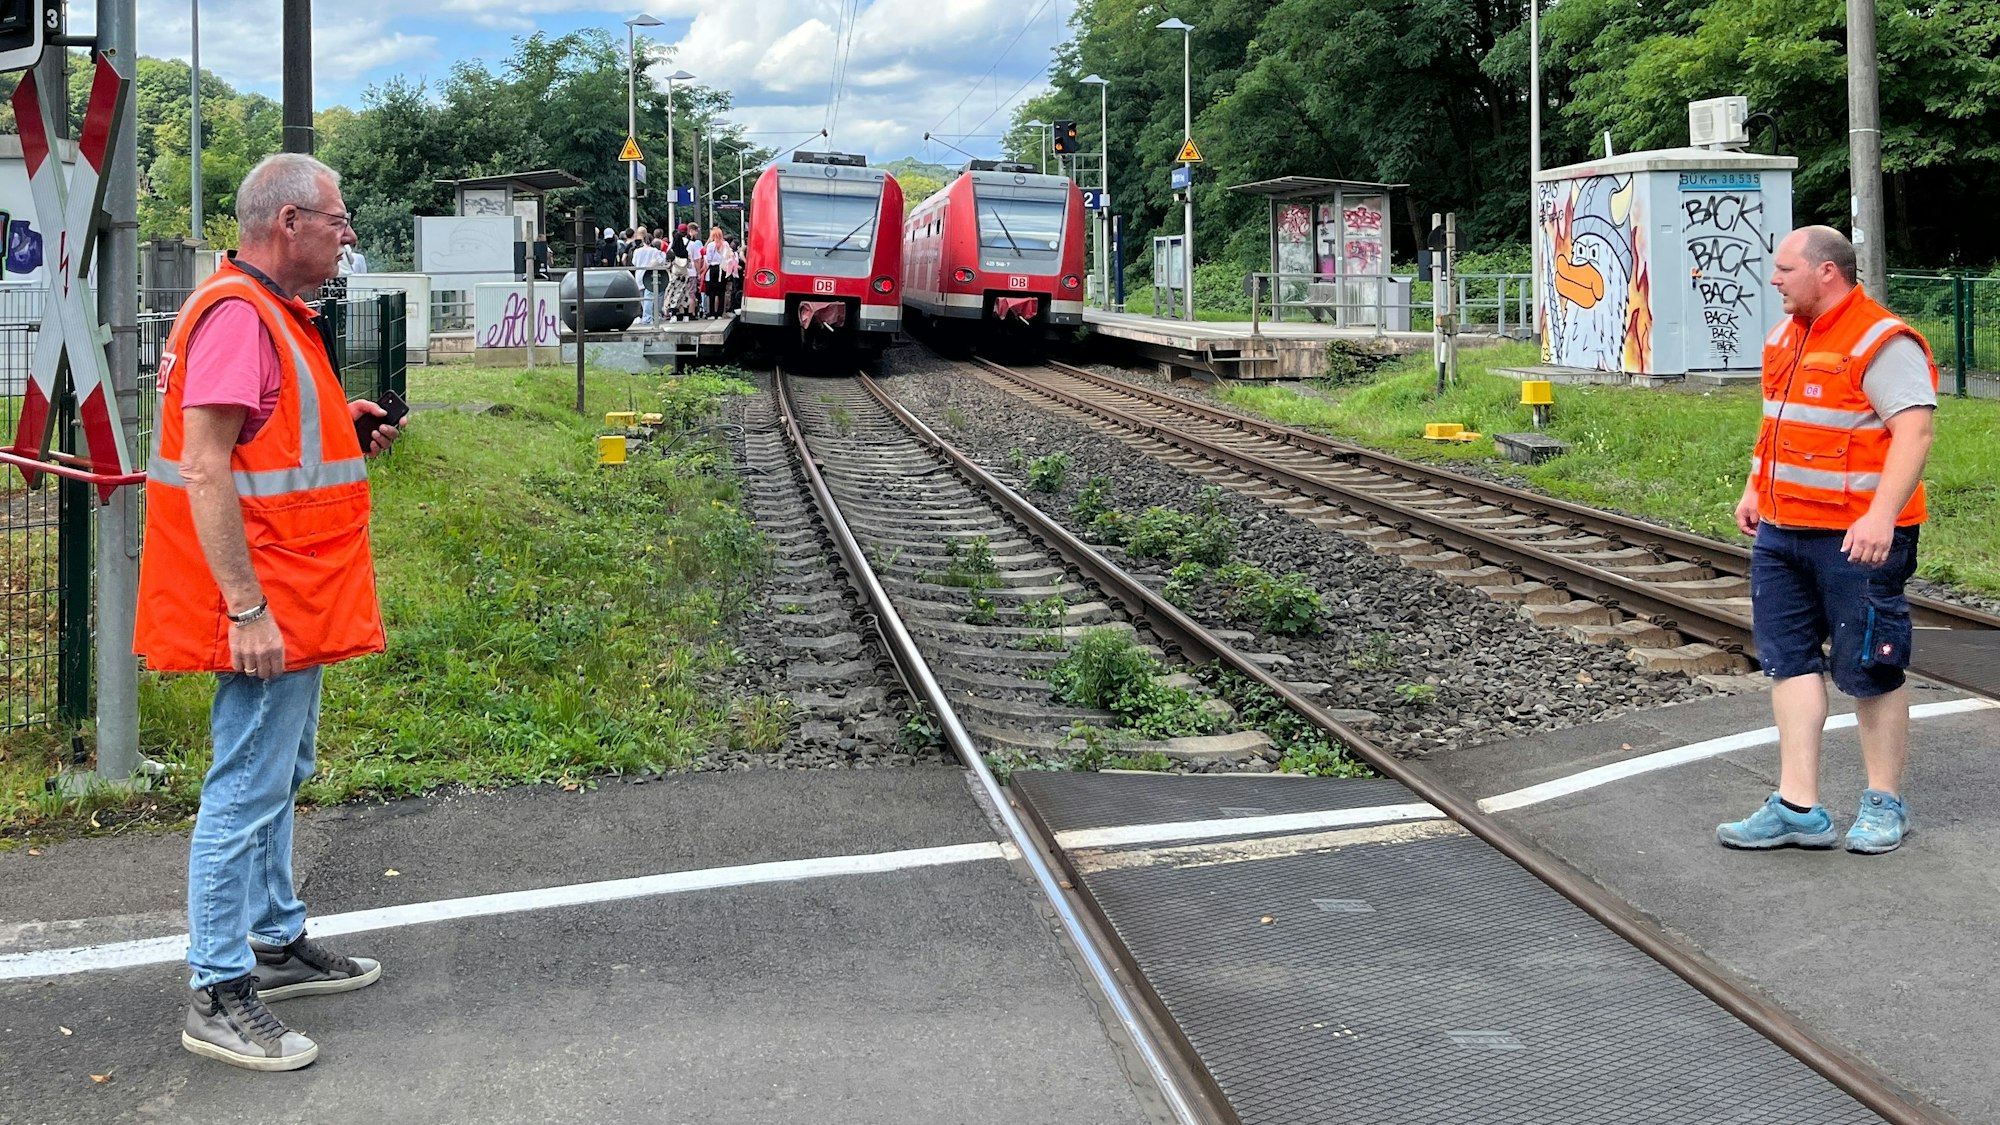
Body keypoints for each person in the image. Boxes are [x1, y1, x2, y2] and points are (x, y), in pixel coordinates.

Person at [134, 152, 403, 1072]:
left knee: (280, 768)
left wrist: (348, 423)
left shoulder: (267, 314)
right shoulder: (241, 318)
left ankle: (275, 941)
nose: (348, 233)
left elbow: (262, 444)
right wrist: (245, 607)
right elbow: (206, 467)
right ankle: (217, 985)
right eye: (337, 218)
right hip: (266, 602)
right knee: (246, 784)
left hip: (295, 594)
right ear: (287, 224)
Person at [1718, 225, 1938, 855]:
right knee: (1788, 662)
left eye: (1785, 269)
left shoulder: (1881, 340)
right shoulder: (1785, 338)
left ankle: (1884, 803)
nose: (1774, 279)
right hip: (1783, 531)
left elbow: (1914, 434)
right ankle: (1798, 807)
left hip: (1857, 538)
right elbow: (1778, 427)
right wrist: (1756, 487)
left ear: (1826, 273)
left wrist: (1881, 515)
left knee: (1872, 666)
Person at [631, 234, 666, 326]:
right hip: (649, 275)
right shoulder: (654, 251)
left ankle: (646, 315)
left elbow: (634, 262)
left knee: (643, 297)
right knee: (649, 297)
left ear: (643, 241)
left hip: (639, 274)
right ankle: (648, 317)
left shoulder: (637, 251)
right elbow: (661, 261)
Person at [665, 226, 692, 322]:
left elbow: (667, 265)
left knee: (673, 294)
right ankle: (685, 315)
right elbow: (690, 265)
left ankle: (673, 314)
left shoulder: (672, 252)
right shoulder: (685, 252)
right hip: (684, 275)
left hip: (675, 275)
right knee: (684, 294)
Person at [702, 227, 728, 319]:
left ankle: (712, 313)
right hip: (723, 268)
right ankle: (720, 313)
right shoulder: (725, 244)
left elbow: (708, 259)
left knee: (712, 291)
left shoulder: (711, 245)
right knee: (721, 291)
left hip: (713, 268)